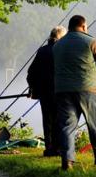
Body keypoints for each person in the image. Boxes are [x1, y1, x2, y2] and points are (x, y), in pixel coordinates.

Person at [53, 14, 96, 170]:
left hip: (62, 90)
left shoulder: (57, 45)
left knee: (67, 126)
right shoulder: (91, 41)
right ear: (84, 26)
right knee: (95, 123)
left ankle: (67, 161)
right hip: (87, 89)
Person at [26, 25, 67, 156]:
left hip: (44, 93)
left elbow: (31, 72)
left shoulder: (42, 51)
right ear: (61, 37)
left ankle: (49, 149)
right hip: (59, 91)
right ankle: (59, 149)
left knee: (47, 121)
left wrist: (32, 88)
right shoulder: (62, 50)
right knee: (60, 120)